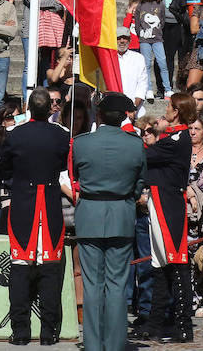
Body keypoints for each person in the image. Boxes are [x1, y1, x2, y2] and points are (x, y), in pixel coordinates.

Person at [72, 93, 145, 351]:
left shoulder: (81, 143)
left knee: (93, 286)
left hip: (91, 213)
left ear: (99, 115)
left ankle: (93, 344)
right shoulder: (135, 144)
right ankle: (114, 345)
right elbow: (139, 183)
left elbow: (77, 174)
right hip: (121, 214)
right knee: (116, 286)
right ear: (124, 116)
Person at [0, 88, 70, 344]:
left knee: (20, 269)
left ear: (29, 108)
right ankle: (49, 333)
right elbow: (63, 164)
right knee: (49, 271)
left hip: (23, 205)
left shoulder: (15, 135)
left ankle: (20, 333)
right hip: (49, 204)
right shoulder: (61, 136)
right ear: (49, 108)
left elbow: (4, 166)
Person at [145, 93, 195, 342]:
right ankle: (155, 323)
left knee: (176, 264)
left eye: (170, 106)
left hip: (168, 203)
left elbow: (147, 156)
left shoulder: (176, 138)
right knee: (160, 265)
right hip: (160, 200)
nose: (166, 109)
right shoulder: (172, 137)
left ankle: (184, 324)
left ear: (177, 112)